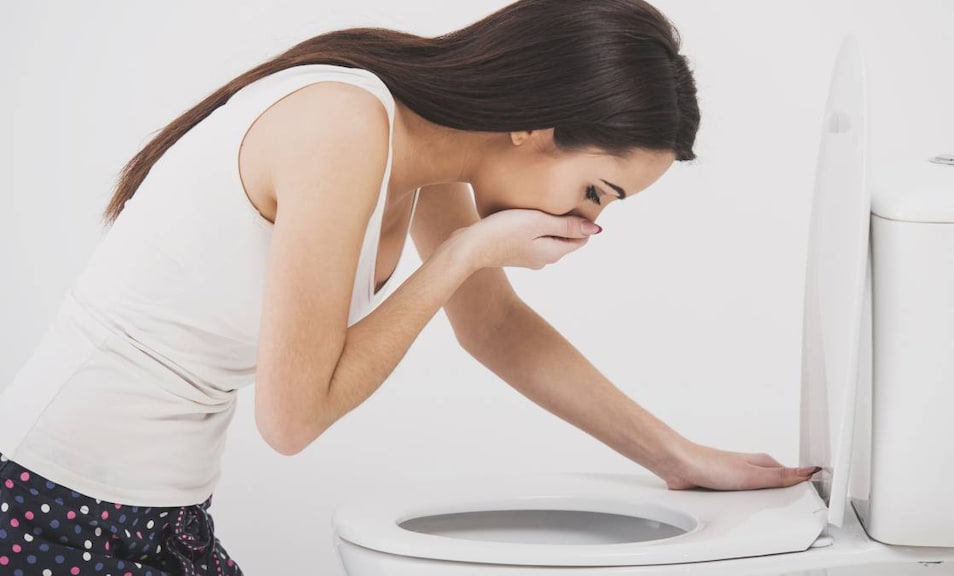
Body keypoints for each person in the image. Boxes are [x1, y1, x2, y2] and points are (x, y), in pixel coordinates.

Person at [0, 0, 821, 573]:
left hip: (154, 514)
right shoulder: (345, 126)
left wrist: (677, 457)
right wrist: (458, 257)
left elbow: (494, 327)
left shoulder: (424, 151)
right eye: (596, 190)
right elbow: (293, 420)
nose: (587, 222)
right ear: (536, 122)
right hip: (53, 503)